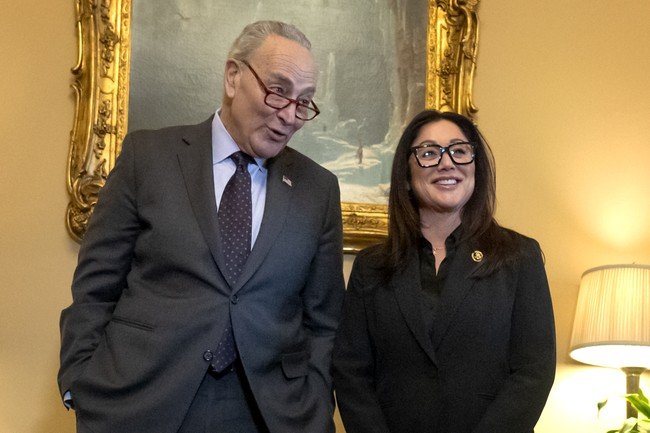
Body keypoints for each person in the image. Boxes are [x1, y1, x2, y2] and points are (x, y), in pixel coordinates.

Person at [58, 21, 345, 433]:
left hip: (267, 412)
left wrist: (313, 405)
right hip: (141, 400)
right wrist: (81, 382)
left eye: (303, 102)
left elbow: (324, 321)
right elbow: (96, 287)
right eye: (278, 90)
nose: (289, 115)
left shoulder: (318, 188)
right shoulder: (148, 157)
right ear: (233, 77)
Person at [332, 109, 556, 433]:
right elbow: (352, 373)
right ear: (406, 174)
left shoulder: (519, 257)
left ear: (476, 167)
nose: (447, 163)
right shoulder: (371, 266)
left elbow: (534, 371)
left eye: (459, 151)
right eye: (428, 153)